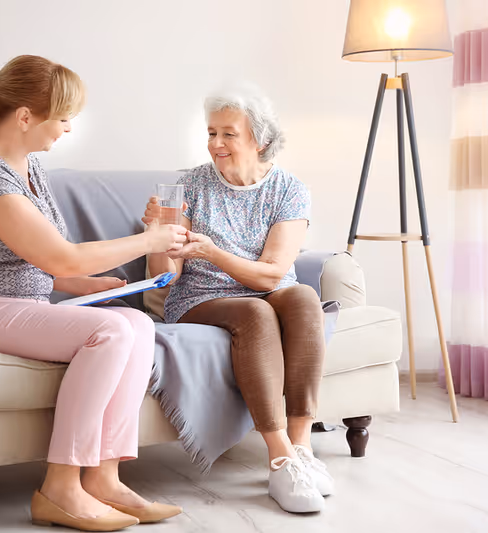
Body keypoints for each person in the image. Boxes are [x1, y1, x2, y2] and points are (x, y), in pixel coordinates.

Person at [0, 55, 185, 532]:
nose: (67, 129)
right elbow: (59, 257)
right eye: (64, 118)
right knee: (109, 332)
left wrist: (88, 285)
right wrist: (150, 241)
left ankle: (104, 479)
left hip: (13, 305)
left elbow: (39, 261)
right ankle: (60, 489)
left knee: (137, 322)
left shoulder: (29, 168)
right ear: (26, 116)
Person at [143, 85, 332, 514]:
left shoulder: (289, 190)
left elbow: (272, 271)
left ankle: (301, 449)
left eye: (228, 134)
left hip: (267, 287)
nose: (215, 144)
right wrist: (156, 237)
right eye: (211, 133)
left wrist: (212, 250)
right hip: (200, 297)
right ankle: (279, 456)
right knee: (255, 311)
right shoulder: (189, 185)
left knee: (302, 297)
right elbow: (165, 278)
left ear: (259, 139)